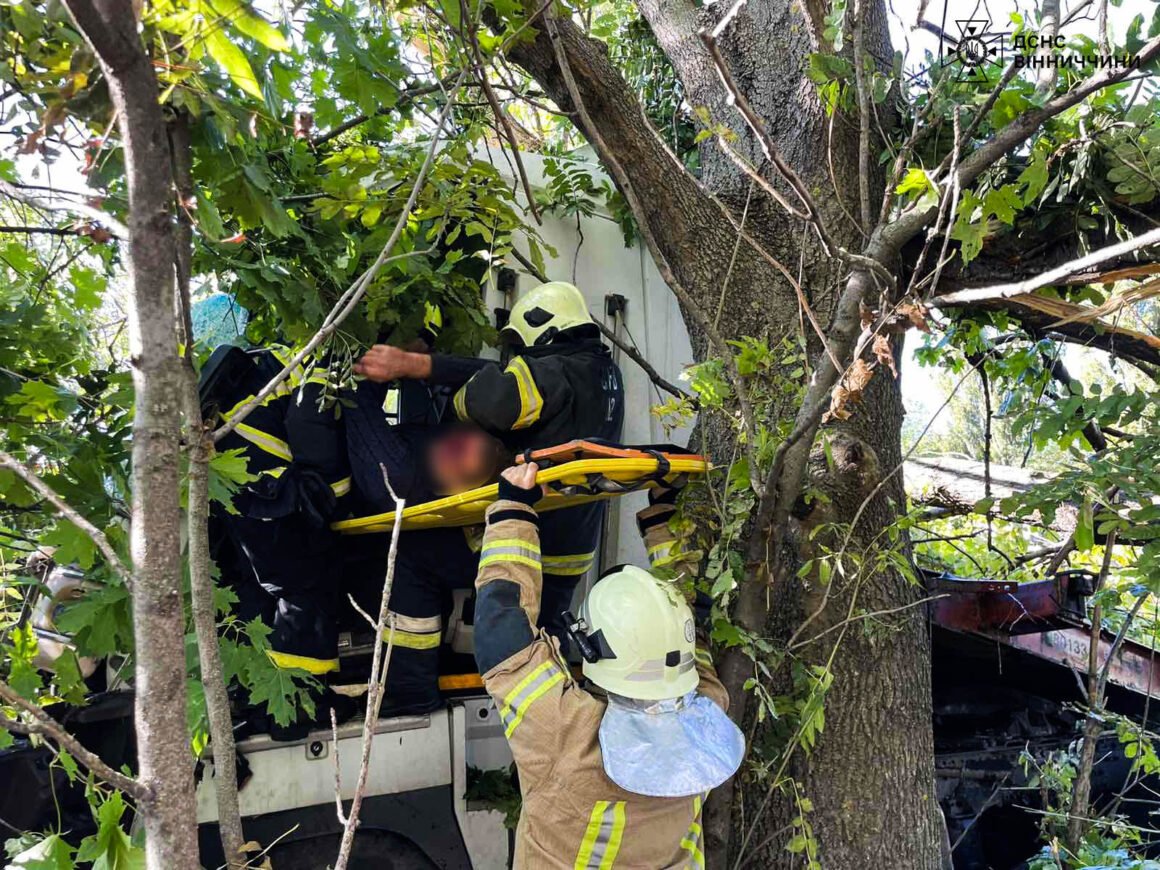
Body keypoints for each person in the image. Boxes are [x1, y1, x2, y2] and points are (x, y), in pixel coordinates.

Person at [471, 462, 745, 869]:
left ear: (592, 648)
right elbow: (687, 626)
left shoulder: (568, 738)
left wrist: (513, 511)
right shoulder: (707, 715)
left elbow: (503, 637)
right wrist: (665, 513)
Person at [355, 281, 625, 641]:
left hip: (527, 539)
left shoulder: (554, 371)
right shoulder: (607, 375)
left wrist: (451, 397)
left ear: (541, 330)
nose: (518, 356)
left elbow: (488, 401)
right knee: (543, 640)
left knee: (412, 556)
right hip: (570, 549)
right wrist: (421, 365)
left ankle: (412, 691)